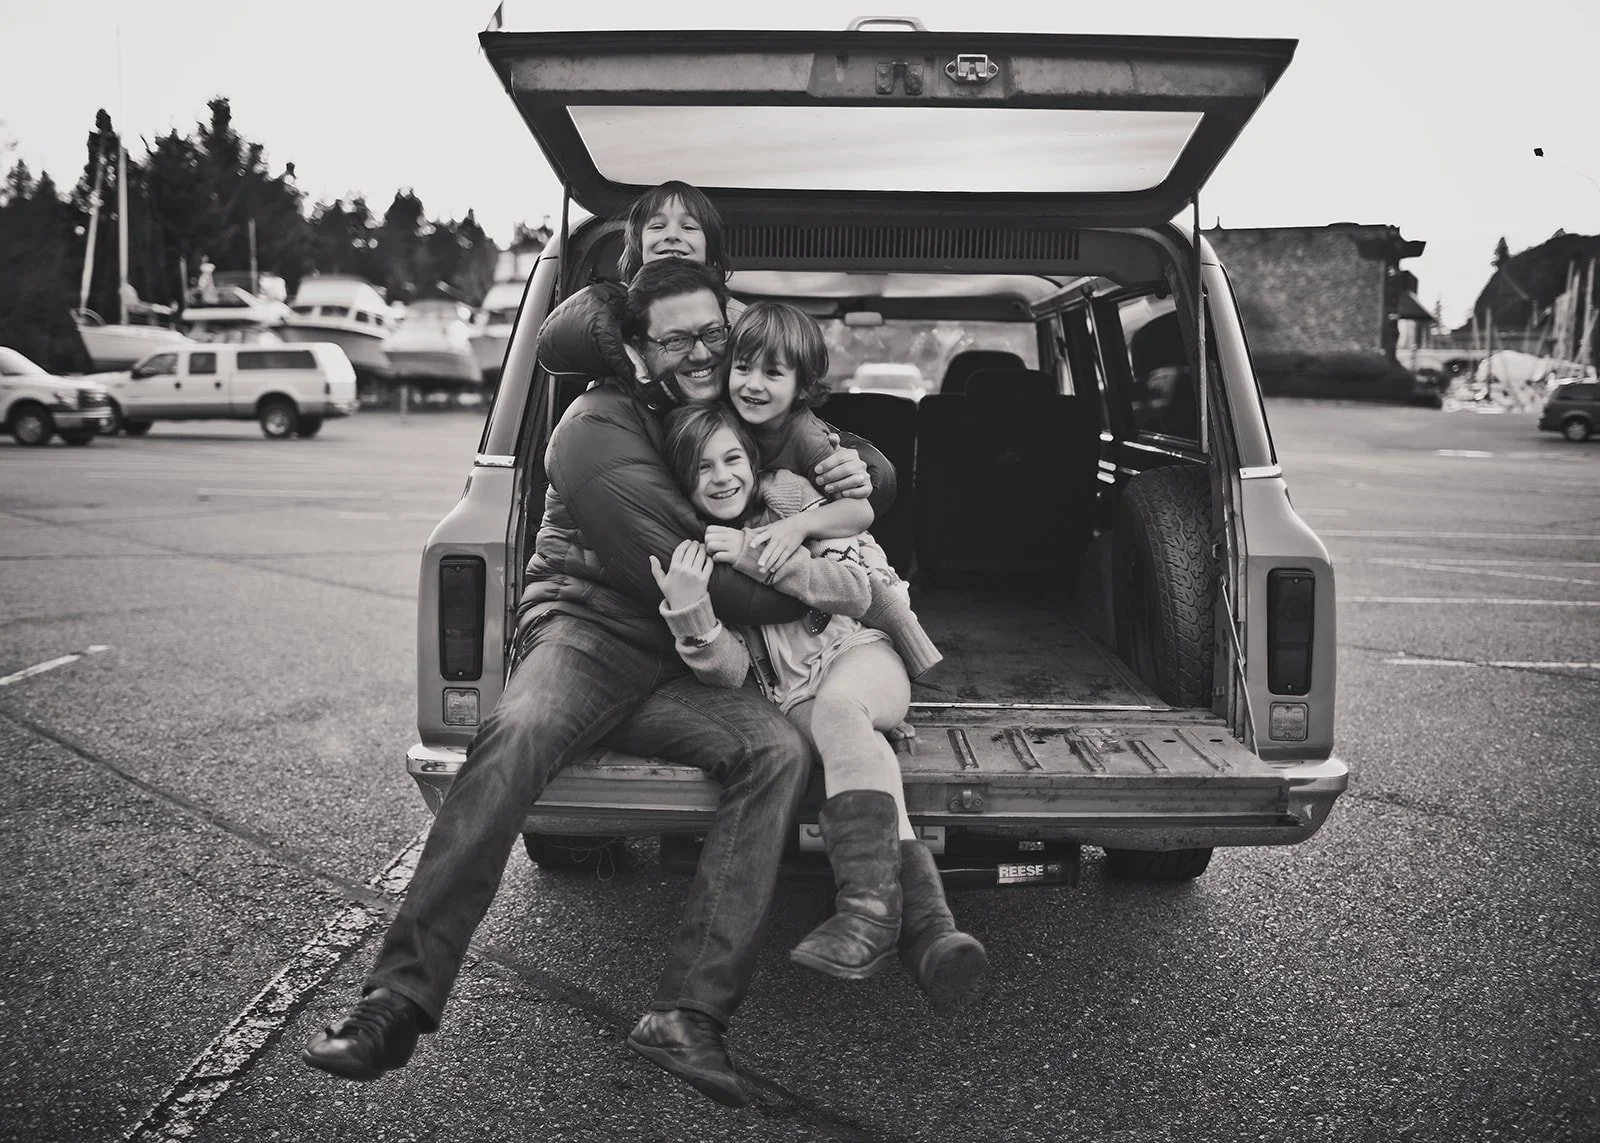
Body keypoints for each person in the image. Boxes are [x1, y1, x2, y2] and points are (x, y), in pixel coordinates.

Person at [302, 257, 889, 1109]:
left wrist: (860, 474)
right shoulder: (596, 423)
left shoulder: (737, 408)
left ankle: (688, 1016)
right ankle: (394, 999)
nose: (701, 351)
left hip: (685, 657)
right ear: (640, 349)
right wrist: (802, 584)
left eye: (712, 333)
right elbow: (690, 564)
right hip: (592, 635)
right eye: (677, 339)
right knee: (520, 730)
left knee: (776, 749)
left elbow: (836, 450)